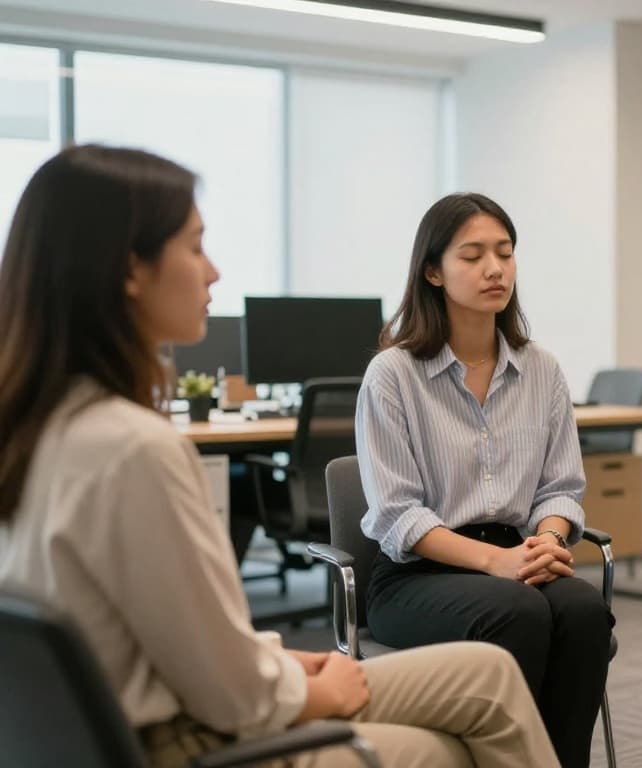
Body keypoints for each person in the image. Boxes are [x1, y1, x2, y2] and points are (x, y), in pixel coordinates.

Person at [0, 145, 560, 768]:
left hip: (117, 722)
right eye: (194, 246)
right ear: (129, 269)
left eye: (504, 254)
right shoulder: (136, 450)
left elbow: (174, 639)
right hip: (187, 737)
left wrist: (282, 660)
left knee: (487, 676)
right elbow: (234, 695)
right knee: (452, 739)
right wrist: (316, 687)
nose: (212, 272)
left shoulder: (38, 429)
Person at [355, 192, 612, 768]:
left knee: (583, 611)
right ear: (433, 271)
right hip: (417, 578)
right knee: (517, 613)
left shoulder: (540, 367)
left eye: (504, 252)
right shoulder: (393, 375)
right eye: (472, 255)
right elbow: (398, 515)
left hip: (519, 557)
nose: (494, 268)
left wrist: (546, 540)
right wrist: (496, 563)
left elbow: (560, 489)